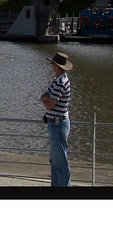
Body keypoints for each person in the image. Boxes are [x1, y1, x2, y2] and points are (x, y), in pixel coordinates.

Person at [39, 51, 73, 187]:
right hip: (55, 124)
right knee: (55, 161)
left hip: (58, 125)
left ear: (56, 66)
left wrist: (46, 102)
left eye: (52, 63)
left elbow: (50, 103)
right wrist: (47, 100)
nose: (51, 65)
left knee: (61, 163)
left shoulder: (60, 82)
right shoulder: (57, 80)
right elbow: (46, 96)